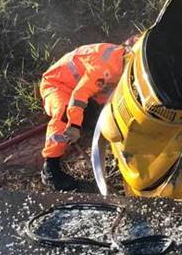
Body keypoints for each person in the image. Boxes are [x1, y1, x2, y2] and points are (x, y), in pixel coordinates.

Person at [39, 36, 138, 190]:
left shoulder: (129, 59)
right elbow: (78, 97)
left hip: (86, 90)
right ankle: (51, 167)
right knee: (64, 114)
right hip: (58, 85)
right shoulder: (105, 67)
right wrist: (74, 125)